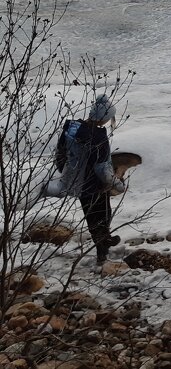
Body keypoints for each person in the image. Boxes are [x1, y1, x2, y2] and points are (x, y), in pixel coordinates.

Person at [53, 94, 124, 264]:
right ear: (104, 118)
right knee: (102, 215)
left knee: (92, 216)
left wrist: (67, 173)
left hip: (78, 183)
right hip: (95, 185)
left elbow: (60, 153)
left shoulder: (71, 128)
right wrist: (118, 185)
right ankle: (102, 250)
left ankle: (104, 242)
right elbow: (103, 169)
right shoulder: (99, 137)